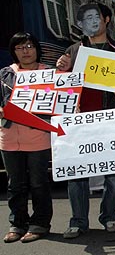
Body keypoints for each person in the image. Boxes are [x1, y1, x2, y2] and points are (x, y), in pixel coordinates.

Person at [56, 1, 115, 239]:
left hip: (111, 121)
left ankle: (110, 216)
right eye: (85, 18)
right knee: (77, 175)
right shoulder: (71, 52)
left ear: (106, 20)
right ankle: (78, 220)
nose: (90, 22)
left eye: (95, 16)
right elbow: (60, 89)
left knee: (114, 176)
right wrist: (60, 70)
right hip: (80, 123)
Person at [0, 32, 52, 243]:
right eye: (20, 47)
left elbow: (59, 101)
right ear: (13, 51)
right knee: (15, 184)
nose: (25, 51)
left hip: (38, 136)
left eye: (29, 46)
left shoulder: (48, 73)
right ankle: (17, 224)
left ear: (37, 49)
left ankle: (40, 224)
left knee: (39, 183)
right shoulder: (4, 74)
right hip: (9, 136)